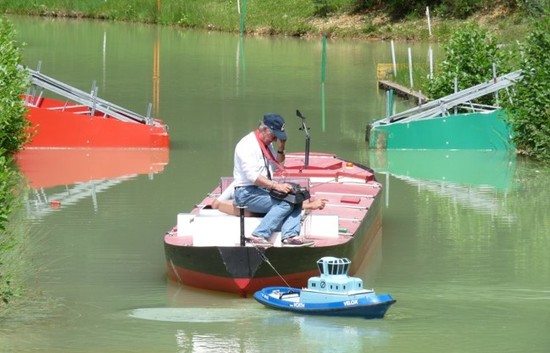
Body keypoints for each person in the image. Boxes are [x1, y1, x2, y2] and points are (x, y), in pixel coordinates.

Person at [230, 113, 323, 247]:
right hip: (246, 193)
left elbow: (277, 164)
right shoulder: (247, 145)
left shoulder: (266, 144)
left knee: (296, 199)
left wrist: (281, 147)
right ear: (264, 130)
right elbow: (253, 177)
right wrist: (276, 186)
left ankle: (289, 236)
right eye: (274, 136)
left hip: (262, 190)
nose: (274, 140)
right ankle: (258, 235)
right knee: (285, 204)